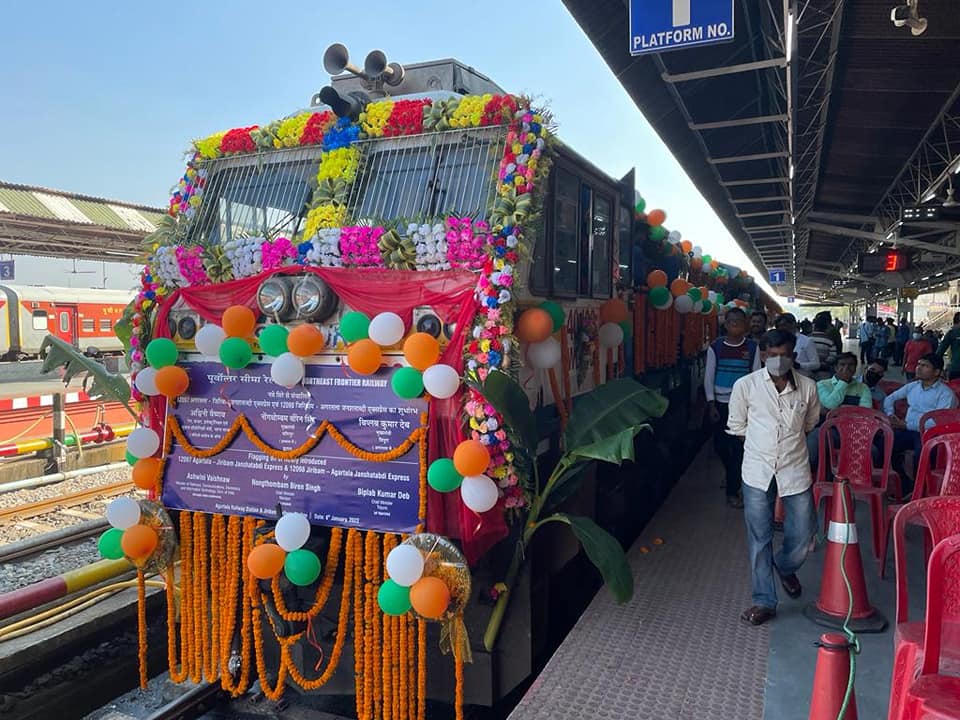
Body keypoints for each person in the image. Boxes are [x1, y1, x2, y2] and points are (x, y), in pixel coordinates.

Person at [727, 330, 820, 626]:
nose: (779, 360)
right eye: (773, 354)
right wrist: (762, 449)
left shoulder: (807, 388)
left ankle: (784, 564)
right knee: (759, 538)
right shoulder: (746, 386)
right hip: (757, 470)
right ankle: (764, 600)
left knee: (804, 535)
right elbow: (737, 426)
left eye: (785, 354)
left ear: (793, 355)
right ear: (764, 354)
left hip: (794, 468)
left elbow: (809, 424)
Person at [705, 307, 761, 509]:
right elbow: (709, 376)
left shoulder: (753, 348)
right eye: (731, 321)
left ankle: (732, 490)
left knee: (738, 448)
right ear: (725, 324)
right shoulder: (716, 347)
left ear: (745, 324)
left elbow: (756, 376)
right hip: (720, 404)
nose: (735, 324)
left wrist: (753, 406)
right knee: (720, 446)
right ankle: (731, 474)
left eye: (739, 320)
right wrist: (711, 402)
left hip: (743, 405)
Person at [883, 353, 958, 494]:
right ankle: (905, 485)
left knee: (922, 453)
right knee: (885, 444)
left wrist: (906, 425)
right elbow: (890, 399)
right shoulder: (913, 386)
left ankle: (922, 489)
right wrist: (890, 415)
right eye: (918, 364)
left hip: (931, 435)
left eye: (924, 366)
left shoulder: (946, 394)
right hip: (909, 431)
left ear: (936, 372)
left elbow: (937, 423)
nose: (919, 368)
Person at [806, 353, 872, 468]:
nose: (846, 368)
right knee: (815, 442)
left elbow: (865, 413)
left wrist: (835, 411)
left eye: (851, 365)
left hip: (854, 431)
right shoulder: (822, 385)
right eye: (842, 365)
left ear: (856, 368)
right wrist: (843, 383)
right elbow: (831, 404)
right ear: (836, 368)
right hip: (828, 429)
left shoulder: (863, 388)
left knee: (873, 452)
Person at [810, 315, 838, 381]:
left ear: (814, 327)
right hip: (824, 371)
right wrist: (823, 363)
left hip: (809, 371)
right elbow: (833, 356)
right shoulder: (829, 340)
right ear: (826, 328)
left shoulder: (807, 338)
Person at [936, 313, 960, 381]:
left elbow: (939, 352)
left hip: (956, 369)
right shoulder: (953, 333)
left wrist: (939, 368)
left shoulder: (952, 333)